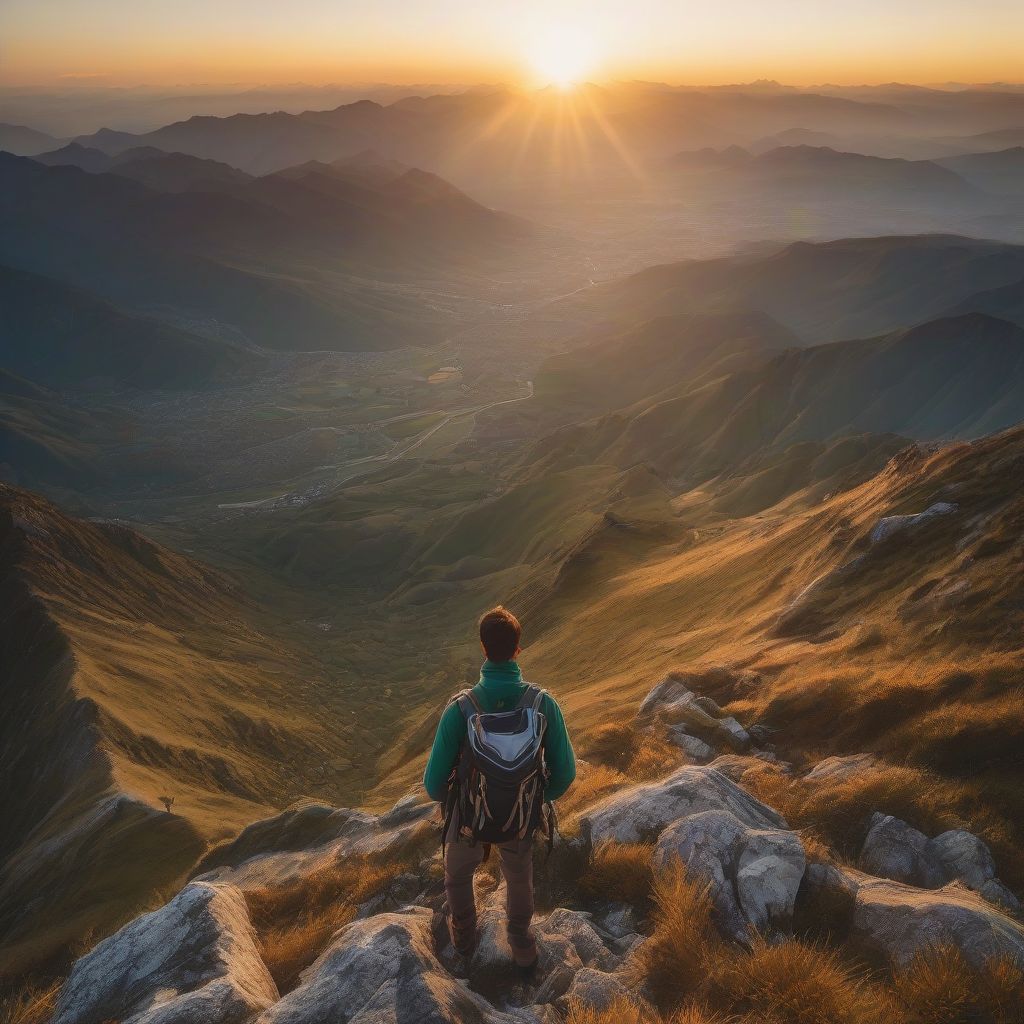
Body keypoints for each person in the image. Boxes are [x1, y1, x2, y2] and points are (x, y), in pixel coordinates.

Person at [423, 606, 576, 970]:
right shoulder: (543, 705)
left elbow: (432, 785)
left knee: (458, 874)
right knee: (519, 875)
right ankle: (521, 944)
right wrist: (536, 798)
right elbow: (566, 774)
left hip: (468, 820)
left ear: (483, 648)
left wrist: (463, 801)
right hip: (520, 815)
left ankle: (464, 939)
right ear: (518, 649)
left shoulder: (461, 709)